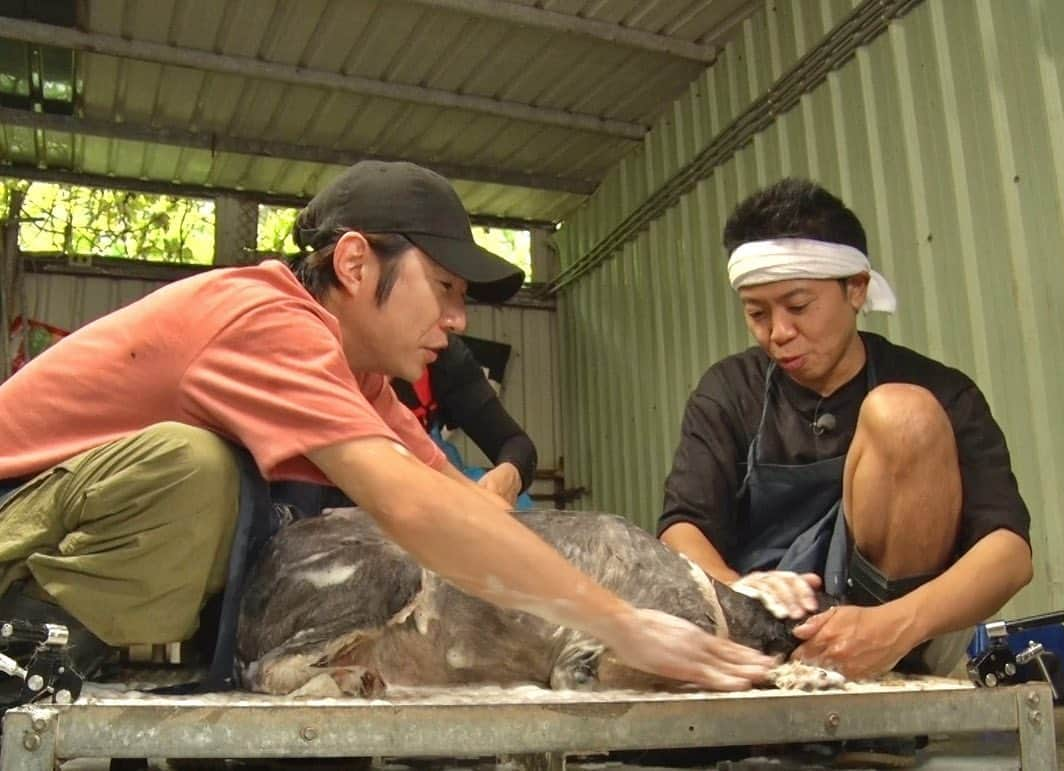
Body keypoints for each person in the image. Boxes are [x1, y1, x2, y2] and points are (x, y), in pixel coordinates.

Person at [0, 161, 775, 700]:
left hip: (71, 531)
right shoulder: (268, 320)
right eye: (442, 286)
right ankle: (21, 649)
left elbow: (460, 503)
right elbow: (412, 510)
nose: (458, 320)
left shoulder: (360, 376)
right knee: (197, 470)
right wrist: (618, 624)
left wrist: (703, 596)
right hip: (17, 520)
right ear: (355, 262)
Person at [658, 178, 1032, 682]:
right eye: (757, 313)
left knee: (903, 416)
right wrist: (738, 594)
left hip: (901, 635)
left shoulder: (941, 390)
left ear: (855, 288)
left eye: (797, 306)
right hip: (762, 637)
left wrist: (893, 626)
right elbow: (683, 527)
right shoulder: (729, 390)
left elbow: (1009, 553)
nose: (778, 333)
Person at [392, 333, 537, 505]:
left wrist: (508, 476)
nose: (458, 323)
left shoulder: (446, 355)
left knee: (516, 505)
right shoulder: (360, 395)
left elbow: (514, 442)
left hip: (421, 465)